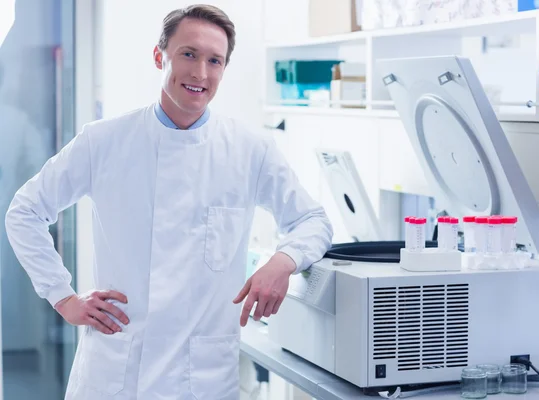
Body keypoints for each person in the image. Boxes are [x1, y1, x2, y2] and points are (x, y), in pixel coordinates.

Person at [4, 4, 333, 400]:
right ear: (160, 56)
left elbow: (314, 220)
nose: (201, 73)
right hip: (116, 374)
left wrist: (283, 262)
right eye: (188, 54)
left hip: (201, 378)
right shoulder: (104, 141)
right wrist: (63, 297)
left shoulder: (249, 150)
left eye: (215, 60)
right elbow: (25, 211)